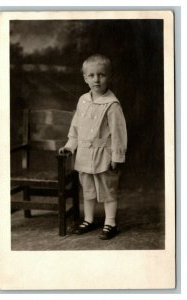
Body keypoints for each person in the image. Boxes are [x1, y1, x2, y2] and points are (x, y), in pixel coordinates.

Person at [59, 54, 127, 240]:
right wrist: (70, 145)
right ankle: (88, 219)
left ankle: (110, 223)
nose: (96, 79)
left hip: (104, 154)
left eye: (101, 75)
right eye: (92, 75)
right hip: (84, 153)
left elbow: (118, 133)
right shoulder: (83, 100)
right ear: (85, 78)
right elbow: (76, 126)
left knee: (107, 189)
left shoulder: (112, 104)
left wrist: (117, 156)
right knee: (87, 188)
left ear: (109, 76)